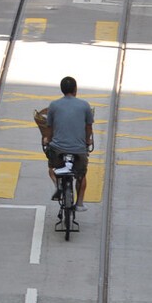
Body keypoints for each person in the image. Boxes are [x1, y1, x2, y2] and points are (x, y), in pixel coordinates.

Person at [41, 77, 94, 211]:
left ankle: (57, 185)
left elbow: (49, 127)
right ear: (76, 89)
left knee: (52, 169)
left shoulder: (53, 105)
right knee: (81, 175)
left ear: (62, 90)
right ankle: (80, 203)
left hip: (58, 149)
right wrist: (88, 141)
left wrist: (47, 139)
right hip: (79, 150)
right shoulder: (85, 105)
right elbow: (88, 127)